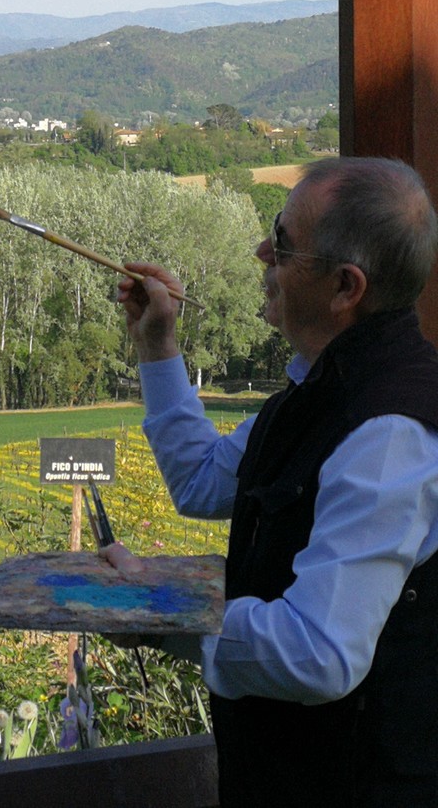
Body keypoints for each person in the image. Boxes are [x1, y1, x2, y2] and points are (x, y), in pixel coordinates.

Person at [112, 156, 438, 807]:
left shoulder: (386, 432)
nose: (262, 251)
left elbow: (320, 653)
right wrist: (158, 345)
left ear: (346, 287)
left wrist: (159, 612)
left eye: (284, 244)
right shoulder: (322, 391)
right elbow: (203, 482)